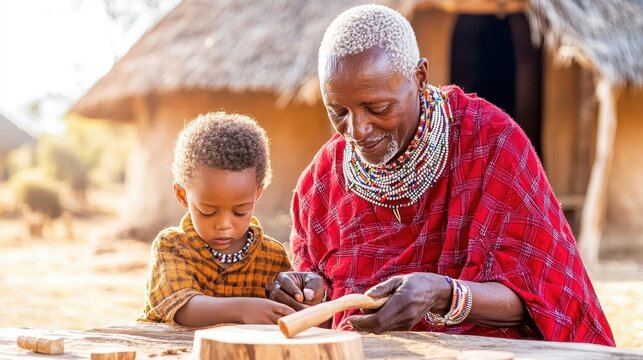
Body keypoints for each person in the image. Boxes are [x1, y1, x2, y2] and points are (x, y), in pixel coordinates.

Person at [267, 5, 615, 345]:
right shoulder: (322, 182)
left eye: (379, 108)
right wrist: (309, 291)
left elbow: (549, 297)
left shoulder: (490, 143)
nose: (357, 130)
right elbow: (325, 305)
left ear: (420, 78)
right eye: (338, 111)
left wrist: (444, 294)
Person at [140, 111, 294, 327]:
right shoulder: (173, 247)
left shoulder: (273, 258)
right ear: (182, 195)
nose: (224, 225)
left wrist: (302, 300)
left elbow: (289, 315)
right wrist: (242, 309)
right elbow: (182, 307)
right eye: (208, 211)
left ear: (257, 195)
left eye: (240, 211)